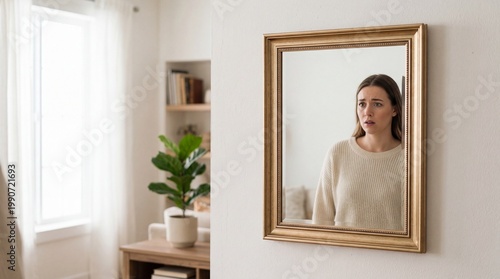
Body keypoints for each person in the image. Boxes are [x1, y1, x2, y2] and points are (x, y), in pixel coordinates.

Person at [312, 74, 405, 231]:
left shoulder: (408, 157)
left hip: (392, 254)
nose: (367, 112)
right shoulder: (338, 153)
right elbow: (321, 220)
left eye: (377, 104)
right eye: (362, 104)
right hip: (342, 253)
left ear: (394, 109)